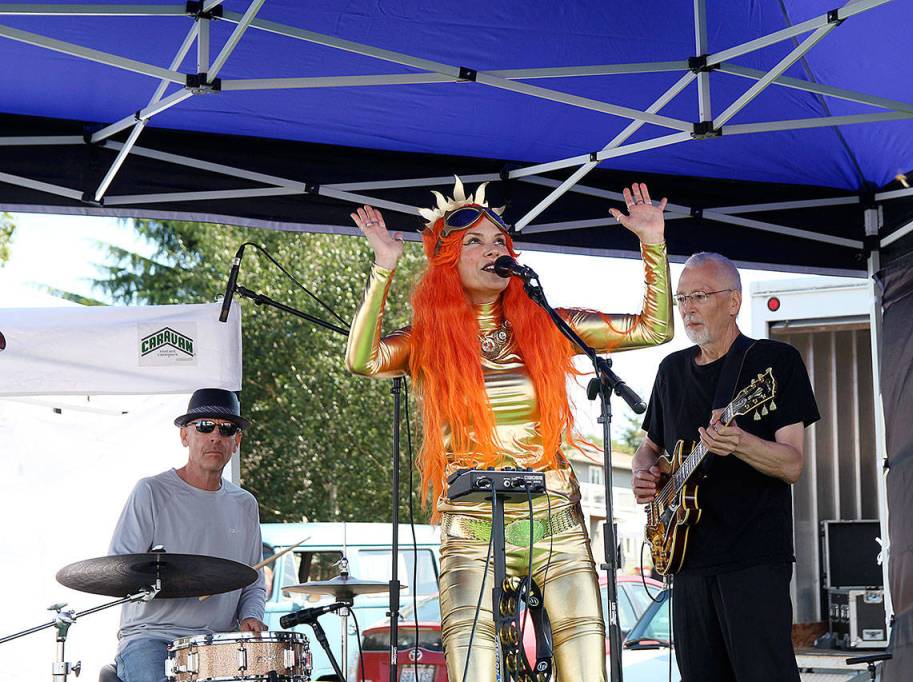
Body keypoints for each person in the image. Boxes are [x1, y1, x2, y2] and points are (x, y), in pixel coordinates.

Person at [346, 178, 674, 682]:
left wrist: (652, 242)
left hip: (553, 517)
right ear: (446, 261)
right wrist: (383, 266)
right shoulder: (426, 341)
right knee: (472, 667)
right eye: (473, 242)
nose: (492, 249)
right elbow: (362, 359)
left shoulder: (548, 322)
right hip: (471, 522)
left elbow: (654, 328)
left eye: (499, 241)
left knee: (586, 667)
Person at [632, 252, 819, 682]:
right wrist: (644, 475)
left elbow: (792, 464)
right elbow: (648, 447)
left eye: (699, 296)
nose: (688, 309)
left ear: (733, 301)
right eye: (682, 299)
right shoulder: (671, 371)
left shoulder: (774, 363)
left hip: (752, 558)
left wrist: (741, 442)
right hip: (687, 559)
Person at [109, 388, 267, 682]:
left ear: (237, 441)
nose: (215, 437)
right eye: (205, 426)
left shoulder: (245, 504)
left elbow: (254, 580)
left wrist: (251, 615)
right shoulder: (151, 492)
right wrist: (170, 579)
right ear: (185, 436)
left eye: (226, 429)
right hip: (153, 638)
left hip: (220, 643)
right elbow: (117, 569)